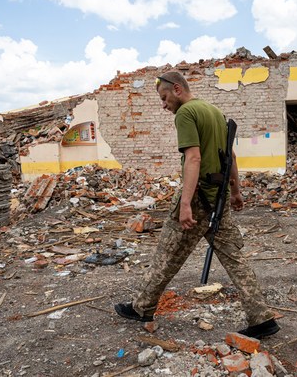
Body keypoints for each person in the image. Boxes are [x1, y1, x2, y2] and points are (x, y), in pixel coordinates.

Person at [114, 71, 279, 339]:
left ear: (177, 89)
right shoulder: (213, 111)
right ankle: (261, 319)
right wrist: (236, 191)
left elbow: (193, 159)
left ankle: (142, 308)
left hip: (200, 198)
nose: (163, 104)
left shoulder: (186, 113)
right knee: (236, 260)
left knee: (167, 255)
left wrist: (186, 204)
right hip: (220, 198)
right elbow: (231, 155)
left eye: (164, 97)